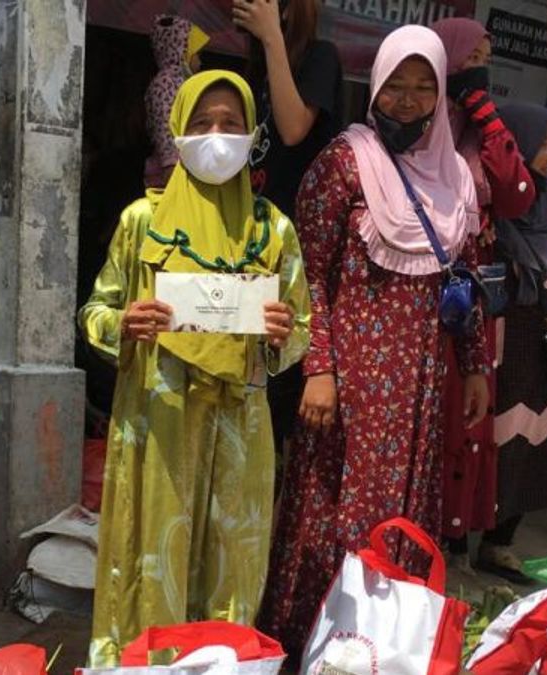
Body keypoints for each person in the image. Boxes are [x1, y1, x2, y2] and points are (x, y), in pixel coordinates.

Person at [257, 26, 490, 657]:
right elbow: (304, 274)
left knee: (402, 514)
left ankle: (381, 651)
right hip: (347, 389)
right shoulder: (344, 162)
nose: (408, 103)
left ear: (441, 98)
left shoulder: (455, 181)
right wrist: (319, 368)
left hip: (417, 387)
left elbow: (463, 280)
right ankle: (307, 644)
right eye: (396, 87)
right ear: (375, 88)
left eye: (423, 89)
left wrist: (473, 368)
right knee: (329, 518)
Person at [79, 70, 310, 667]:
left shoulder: (273, 229)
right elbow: (94, 312)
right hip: (160, 423)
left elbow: (302, 329)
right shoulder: (141, 223)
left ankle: (220, 664)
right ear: (178, 133)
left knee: (232, 559)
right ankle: (146, 662)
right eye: (202, 123)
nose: (216, 136)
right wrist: (123, 324)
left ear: (251, 135)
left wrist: (282, 337)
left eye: (231, 125)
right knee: (153, 552)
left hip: (240, 429)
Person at [432, 17, 536, 571]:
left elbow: (517, 196)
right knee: (436, 411)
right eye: (473, 59)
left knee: (471, 411)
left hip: (473, 299)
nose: (481, 70)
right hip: (424, 291)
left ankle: (455, 534)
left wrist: (486, 116)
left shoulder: (481, 132)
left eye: (488, 59)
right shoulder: (424, 124)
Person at [234, 0, 342, 461]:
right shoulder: (259, 68)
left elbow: (294, 128)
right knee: (248, 392)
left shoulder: (320, 57)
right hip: (251, 253)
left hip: (297, 257)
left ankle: (271, 529)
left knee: (278, 404)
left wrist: (273, 39)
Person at [476, 102, 547, 583]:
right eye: (542, 143)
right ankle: (457, 537)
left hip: (536, 330)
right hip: (493, 327)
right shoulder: (486, 198)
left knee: (533, 435)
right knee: (483, 434)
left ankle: (499, 542)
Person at [143, 14, 208, 189]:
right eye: (196, 54)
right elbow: (165, 128)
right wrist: (170, 166)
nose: (200, 62)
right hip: (170, 175)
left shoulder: (182, 82)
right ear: (181, 51)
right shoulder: (165, 83)